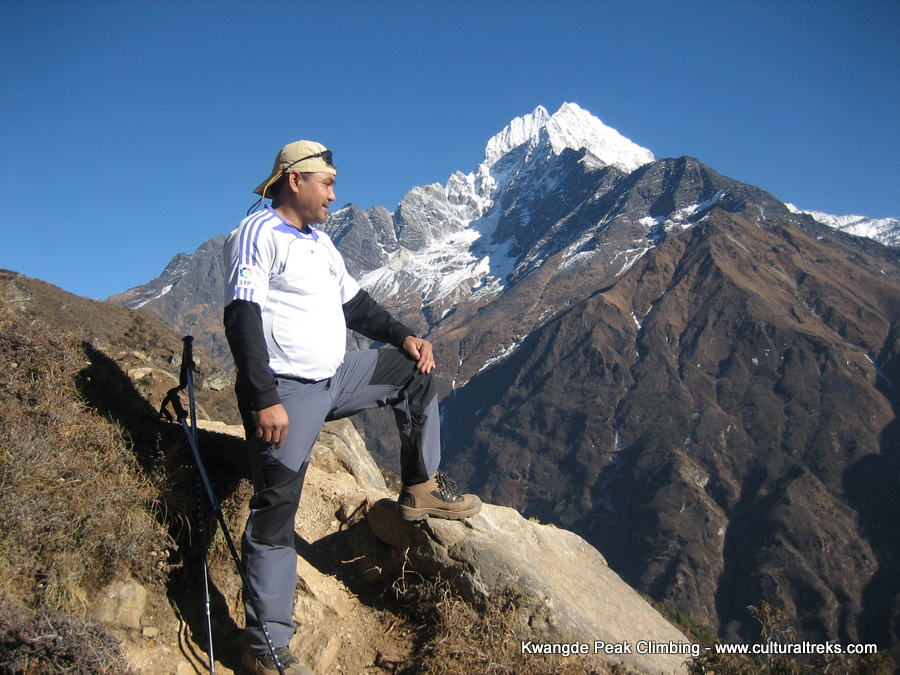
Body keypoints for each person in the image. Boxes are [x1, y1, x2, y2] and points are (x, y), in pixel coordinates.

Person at [223, 140, 482, 675]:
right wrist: (264, 397)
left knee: (415, 372)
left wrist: (405, 335)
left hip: (335, 377)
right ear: (295, 181)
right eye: (328, 183)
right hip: (286, 392)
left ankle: (419, 487)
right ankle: (265, 647)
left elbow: (356, 305)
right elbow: (241, 317)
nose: (335, 194)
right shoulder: (256, 234)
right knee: (275, 514)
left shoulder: (319, 243)